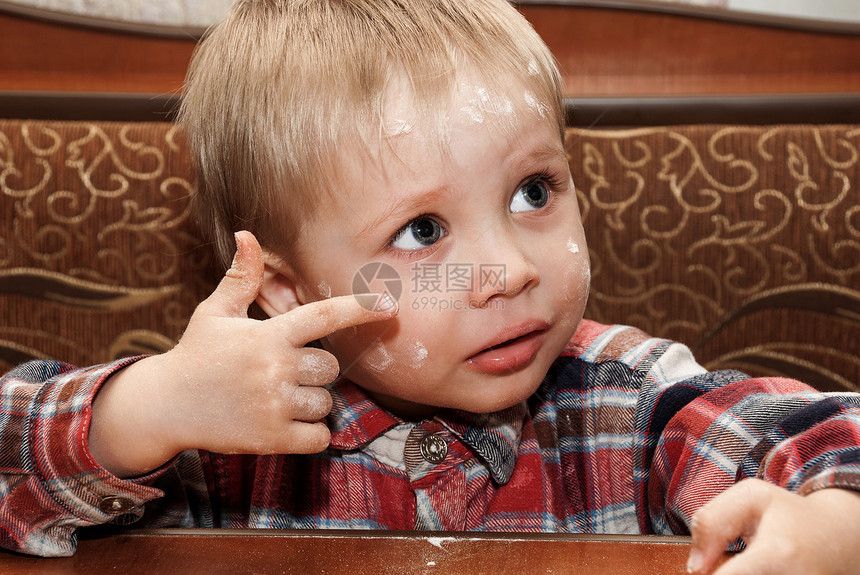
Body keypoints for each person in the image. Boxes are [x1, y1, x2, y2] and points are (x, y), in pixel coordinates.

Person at [1, 0, 859, 572]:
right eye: (423, 231)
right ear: (292, 295)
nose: (511, 270)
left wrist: (835, 521)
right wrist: (141, 414)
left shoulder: (626, 400)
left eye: (534, 192)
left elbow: (810, 435)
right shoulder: (222, 427)